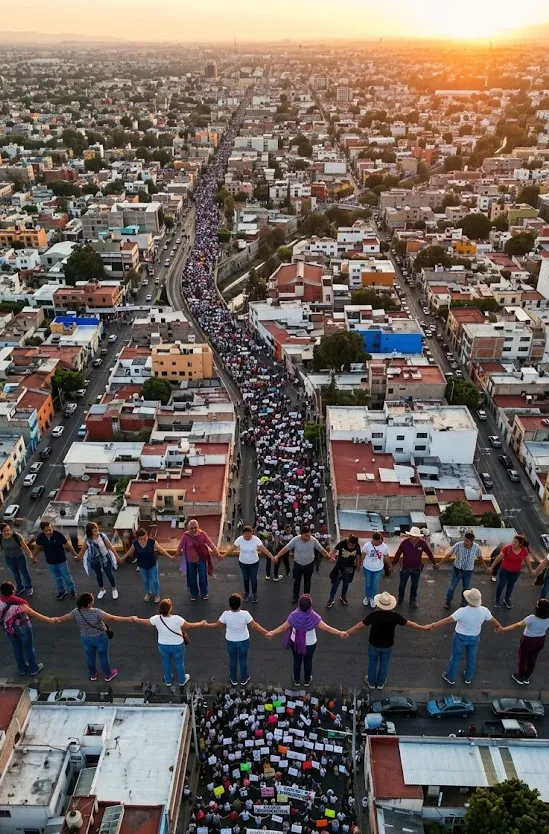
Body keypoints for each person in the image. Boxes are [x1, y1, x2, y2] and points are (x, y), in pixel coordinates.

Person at [345, 591, 430, 689]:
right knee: (384, 664)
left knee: (372, 663)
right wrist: (423, 628)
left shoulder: (373, 615)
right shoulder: (395, 616)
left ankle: (371, 682)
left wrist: (347, 632)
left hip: (374, 643)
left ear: (379, 604)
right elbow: (410, 624)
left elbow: (360, 626)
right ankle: (381, 683)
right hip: (388, 645)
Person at [266, 593, 347, 686]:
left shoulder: (293, 616)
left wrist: (272, 632)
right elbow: (327, 628)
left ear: (299, 605)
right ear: (310, 606)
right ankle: (307, 680)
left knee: (297, 660)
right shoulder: (314, 617)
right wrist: (339, 632)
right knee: (308, 662)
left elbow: (283, 627)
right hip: (310, 644)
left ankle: (296, 680)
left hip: (295, 642)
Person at [53, 591, 132, 681]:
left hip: (85, 638)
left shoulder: (76, 612)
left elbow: (66, 617)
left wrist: (56, 619)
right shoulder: (96, 612)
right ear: (89, 603)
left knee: (90, 656)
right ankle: (108, 675)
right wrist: (129, 619)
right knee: (103, 657)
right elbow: (113, 618)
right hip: (100, 638)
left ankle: (93, 674)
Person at [429, 588, 501, 685]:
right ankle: (468, 677)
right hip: (474, 637)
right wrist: (499, 627)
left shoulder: (462, 611)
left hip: (460, 637)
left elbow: (447, 620)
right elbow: (493, 621)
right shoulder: (484, 611)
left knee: (455, 657)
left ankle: (451, 678)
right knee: (471, 658)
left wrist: (434, 625)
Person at [132, 598, 205, 689]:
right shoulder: (177, 619)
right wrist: (201, 623)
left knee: (166, 662)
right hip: (178, 644)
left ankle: (168, 680)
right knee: (179, 663)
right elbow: (190, 625)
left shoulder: (156, 619)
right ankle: (182, 680)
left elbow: (145, 622)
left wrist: (135, 619)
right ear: (170, 609)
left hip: (163, 645)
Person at [204, 593, 268, 685]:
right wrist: (266, 633)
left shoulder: (225, 614)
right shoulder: (245, 614)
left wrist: (206, 625)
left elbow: (217, 625)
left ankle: (233, 679)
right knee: (243, 660)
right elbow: (255, 626)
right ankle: (244, 678)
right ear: (240, 604)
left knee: (232, 660)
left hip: (231, 641)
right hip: (244, 640)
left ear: (230, 605)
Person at [0, 580, 53, 675]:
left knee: (17, 648)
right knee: (28, 648)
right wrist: (49, 620)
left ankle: (22, 669)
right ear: (12, 591)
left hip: (9, 629)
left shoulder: (1, 602)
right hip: (23, 627)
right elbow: (34, 614)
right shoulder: (19, 603)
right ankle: (33, 668)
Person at [275, 526, 333, 604]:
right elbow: (286, 548)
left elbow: (321, 549)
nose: (309, 537)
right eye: (306, 535)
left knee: (307, 582)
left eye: (309, 535)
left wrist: (329, 557)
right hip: (298, 565)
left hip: (309, 565)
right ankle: (295, 596)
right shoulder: (295, 540)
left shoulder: (313, 540)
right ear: (301, 534)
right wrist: (277, 556)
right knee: (296, 582)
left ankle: (306, 597)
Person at [497, 598, 549, 685]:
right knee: (533, 659)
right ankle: (527, 677)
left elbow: (517, 625)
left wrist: (503, 629)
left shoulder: (531, 618)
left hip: (528, 640)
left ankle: (520, 676)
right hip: (540, 640)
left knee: (523, 658)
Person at [224, 526, 276, 603]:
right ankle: (247, 592)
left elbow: (264, 550)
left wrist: (272, 557)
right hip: (243, 563)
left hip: (254, 563)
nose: (247, 536)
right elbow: (232, 549)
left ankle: (254, 594)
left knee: (253, 578)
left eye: (249, 534)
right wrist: (223, 556)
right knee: (245, 578)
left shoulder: (256, 540)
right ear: (243, 534)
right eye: (246, 534)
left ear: (252, 533)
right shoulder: (240, 539)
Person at [438, 531, 488, 609]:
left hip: (468, 571)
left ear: (472, 541)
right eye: (464, 540)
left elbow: (480, 558)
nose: (465, 542)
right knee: (452, 587)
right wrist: (439, 564)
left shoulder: (476, 547)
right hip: (457, 570)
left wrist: (486, 568)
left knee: (466, 589)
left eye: (467, 541)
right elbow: (449, 555)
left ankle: (464, 603)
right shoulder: (458, 545)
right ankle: (448, 601)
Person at [123, 528, 174, 604]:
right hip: (142, 566)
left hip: (152, 564)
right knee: (145, 580)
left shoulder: (152, 542)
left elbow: (161, 550)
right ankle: (148, 593)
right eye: (142, 538)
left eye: (146, 536)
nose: (145, 539)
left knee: (154, 580)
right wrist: (122, 558)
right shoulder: (135, 543)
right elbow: (130, 552)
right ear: (138, 538)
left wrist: (170, 556)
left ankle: (157, 594)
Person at [392, 526, 438, 609]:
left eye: (415, 537)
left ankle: (412, 600)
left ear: (418, 537)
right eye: (412, 536)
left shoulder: (422, 543)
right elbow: (398, 554)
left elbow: (429, 553)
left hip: (416, 569)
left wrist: (434, 563)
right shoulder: (404, 543)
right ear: (409, 536)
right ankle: (400, 599)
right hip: (405, 568)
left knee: (415, 585)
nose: (413, 538)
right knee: (402, 585)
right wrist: (392, 565)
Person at [177, 519, 223, 601]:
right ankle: (194, 594)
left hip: (201, 559)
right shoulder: (185, 536)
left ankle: (204, 593)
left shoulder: (203, 534)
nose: (194, 530)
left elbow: (211, 544)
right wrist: (174, 556)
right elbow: (180, 547)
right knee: (192, 578)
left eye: (195, 527)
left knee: (203, 578)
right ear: (188, 528)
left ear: (198, 527)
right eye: (191, 528)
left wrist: (218, 554)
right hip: (190, 561)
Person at [32, 520, 79, 600]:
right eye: (46, 531)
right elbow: (37, 547)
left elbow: (68, 545)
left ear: (52, 528)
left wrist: (75, 554)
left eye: (50, 529)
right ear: (43, 530)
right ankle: (61, 591)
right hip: (50, 562)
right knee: (57, 578)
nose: (49, 532)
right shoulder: (41, 537)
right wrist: (33, 557)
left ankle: (72, 590)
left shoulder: (58, 535)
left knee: (66, 576)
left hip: (61, 561)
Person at [79, 522, 122, 600]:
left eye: (96, 527)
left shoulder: (102, 536)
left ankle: (114, 589)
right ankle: (102, 590)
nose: (96, 529)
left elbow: (110, 546)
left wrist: (117, 556)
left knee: (109, 574)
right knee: (98, 575)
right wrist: (78, 557)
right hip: (95, 560)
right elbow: (83, 549)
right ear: (89, 530)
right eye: (93, 528)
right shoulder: (87, 538)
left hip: (105, 558)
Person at [489, 535, 534, 608]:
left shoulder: (524, 550)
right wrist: (491, 567)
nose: (513, 543)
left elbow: (527, 561)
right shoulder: (507, 548)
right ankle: (497, 599)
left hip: (515, 572)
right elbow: (499, 558)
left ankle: (506, 599)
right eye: (513, 541)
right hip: (504, 571)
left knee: (510, 586)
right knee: (501, 585)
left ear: (520, 544)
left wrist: (531, 571)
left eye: (515, 542)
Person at [326, 535, 361, 608]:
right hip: (339, 568)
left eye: (352, 545)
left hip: (349, 569)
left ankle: (343, 597)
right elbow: (333, 552)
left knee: (346, 584)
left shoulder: (357, 546)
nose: (350, 546)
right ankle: (331, 599)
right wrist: (330, 557)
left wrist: (358, 566)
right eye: (349, 544)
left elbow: (358, 556)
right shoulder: (342, 543)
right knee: (335, 584)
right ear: (348, 541)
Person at [0, 522, 35, 595]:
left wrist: (30, 555)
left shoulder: (16, 536)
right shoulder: (0, 538)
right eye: (4, 531)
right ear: (1, 532)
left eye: (8, 530)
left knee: (24, 572)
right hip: (9, 558)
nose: (7, 532)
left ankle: (29, 587)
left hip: (20, 557)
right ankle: (20, 587)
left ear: (10, 530)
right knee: (15, 574)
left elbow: (25, 546)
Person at [361, 533, 392, 608]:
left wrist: (390, 566)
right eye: (378, 542)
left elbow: (386, 557)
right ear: (373, 540)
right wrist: (358, 564)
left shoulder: (384, 546)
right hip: (367, 568)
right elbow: (363, 555)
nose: (380, 543)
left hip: (378, 568)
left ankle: (372, 597)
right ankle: (367, 596)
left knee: (374, 584)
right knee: (368, 584)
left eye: (381, 541)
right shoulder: (367, 545)